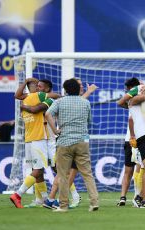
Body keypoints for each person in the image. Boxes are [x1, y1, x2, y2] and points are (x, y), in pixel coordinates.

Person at [45, 78, 99, 212]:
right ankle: (94, 202)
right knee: (87, 174)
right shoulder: (85, 102)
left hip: (64, 141)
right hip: (82, 141)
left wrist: (56, 130)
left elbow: (47, 114)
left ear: (65, 90)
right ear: (78, 89)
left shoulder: (59, 102)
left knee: (63, 175)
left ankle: (63, 206)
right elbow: (89, 121)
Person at [10, 78, 58, 208]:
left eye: (39, 86)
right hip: (38, 139)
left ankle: (43, 199)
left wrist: (25, 82)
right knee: (38, 170)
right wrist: (65, 96)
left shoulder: (25, 98)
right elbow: (40, 106)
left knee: (39, 171)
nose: (38, 87)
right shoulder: (38, 96)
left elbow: (17, 95)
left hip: (29, 140)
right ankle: (17, 194)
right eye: (36, 85)